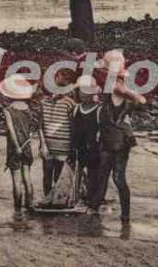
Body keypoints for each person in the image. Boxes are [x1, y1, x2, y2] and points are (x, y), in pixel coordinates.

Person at [87, 50, 146, 224]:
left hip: (116, 139)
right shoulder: (115, 88)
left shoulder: (117, 88)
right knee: (109, 176)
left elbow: (140, 100)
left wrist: (129, 95)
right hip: (113, 136)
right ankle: (116, 213)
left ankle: (107, 211)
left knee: (113, 177)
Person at [0, 74, 37, 211]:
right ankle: (30, 204)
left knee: (16, 179)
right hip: (27, 146)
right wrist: (26, 141)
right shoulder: (27, 109)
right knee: (27, 176)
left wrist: (16, 146)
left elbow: (11, 130)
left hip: (14, 147)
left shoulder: (8, 110)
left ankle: (17, 209)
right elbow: (32, 129)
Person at [38, 70, 76, 197]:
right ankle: (46, 201)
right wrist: (42, 144)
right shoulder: (44, 102)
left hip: (63, 148)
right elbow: (40, 126)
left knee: (59, 179)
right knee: (46, 177)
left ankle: (57, 202)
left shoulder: (70, 103)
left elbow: (73, 126)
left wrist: (72, 149)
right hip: (48, 147)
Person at [70, 75, 102, 207]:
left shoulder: (99, 109)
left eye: (86, 92)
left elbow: (101, 132)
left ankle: (91, 201)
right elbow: (73, 129)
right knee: (76, 175)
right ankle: (75, 199)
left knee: (92, 176)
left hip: (92, 149)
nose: (82, 95)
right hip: (78, 147)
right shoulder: (77, 108)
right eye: (81, 92)